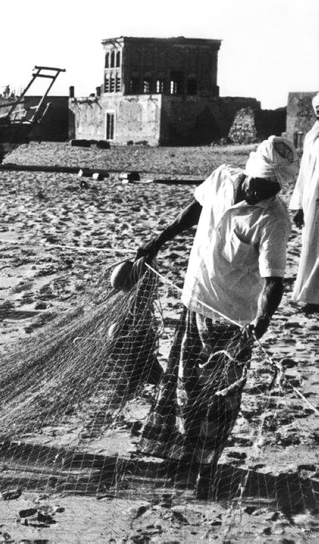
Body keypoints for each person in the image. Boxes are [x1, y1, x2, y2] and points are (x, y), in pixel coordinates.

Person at [134, 135, 298, 497]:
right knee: (183, 385)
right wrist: (158, 241)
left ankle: (204, 467)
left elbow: (273, 280)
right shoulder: (223, 177)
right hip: (194, 302)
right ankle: (176, 456)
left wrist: (262, 321)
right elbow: (191, 213)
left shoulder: (273, 219)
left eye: (272, 188)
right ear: (250, 172)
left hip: (231, 320)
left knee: (217, 398)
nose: (262, 193)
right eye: (259, 185)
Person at [289, 93, 319, 313]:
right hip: (311, 201)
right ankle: (312, 296)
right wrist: (298, 205)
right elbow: (303, 173)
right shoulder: (311, 136)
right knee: (311, 247)